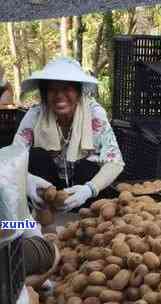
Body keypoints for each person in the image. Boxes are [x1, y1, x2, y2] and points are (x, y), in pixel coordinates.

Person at [13, 57, 124, 212]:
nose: (59, 95)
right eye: (52, 89)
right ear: (45, 94)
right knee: (37, 156)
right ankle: (40, 216)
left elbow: (115, 162)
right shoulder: (35, 115)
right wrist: (27, 180)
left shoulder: (94, 113)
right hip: (47, 191)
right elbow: (10, 159)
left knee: (88, 166)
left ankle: (83, 219)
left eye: (67, 89)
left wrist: (90, 189)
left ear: (79, 92)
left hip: (84, 191)